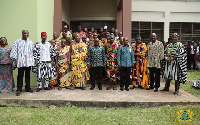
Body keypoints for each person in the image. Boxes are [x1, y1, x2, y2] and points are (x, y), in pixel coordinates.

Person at [10, 30, 35, 96]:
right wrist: (15, 60)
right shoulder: (17, 41)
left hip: (28, 62)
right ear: (22, 34)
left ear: (28, 34)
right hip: (20, 61)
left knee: (28, 75)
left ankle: (28, 88)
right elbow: (14, 51)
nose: (25, 34)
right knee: (20, 75)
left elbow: (32, 52)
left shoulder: (30, 42)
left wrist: (33, 60)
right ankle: (19, 89)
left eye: (26, 33)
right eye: (24, 33)